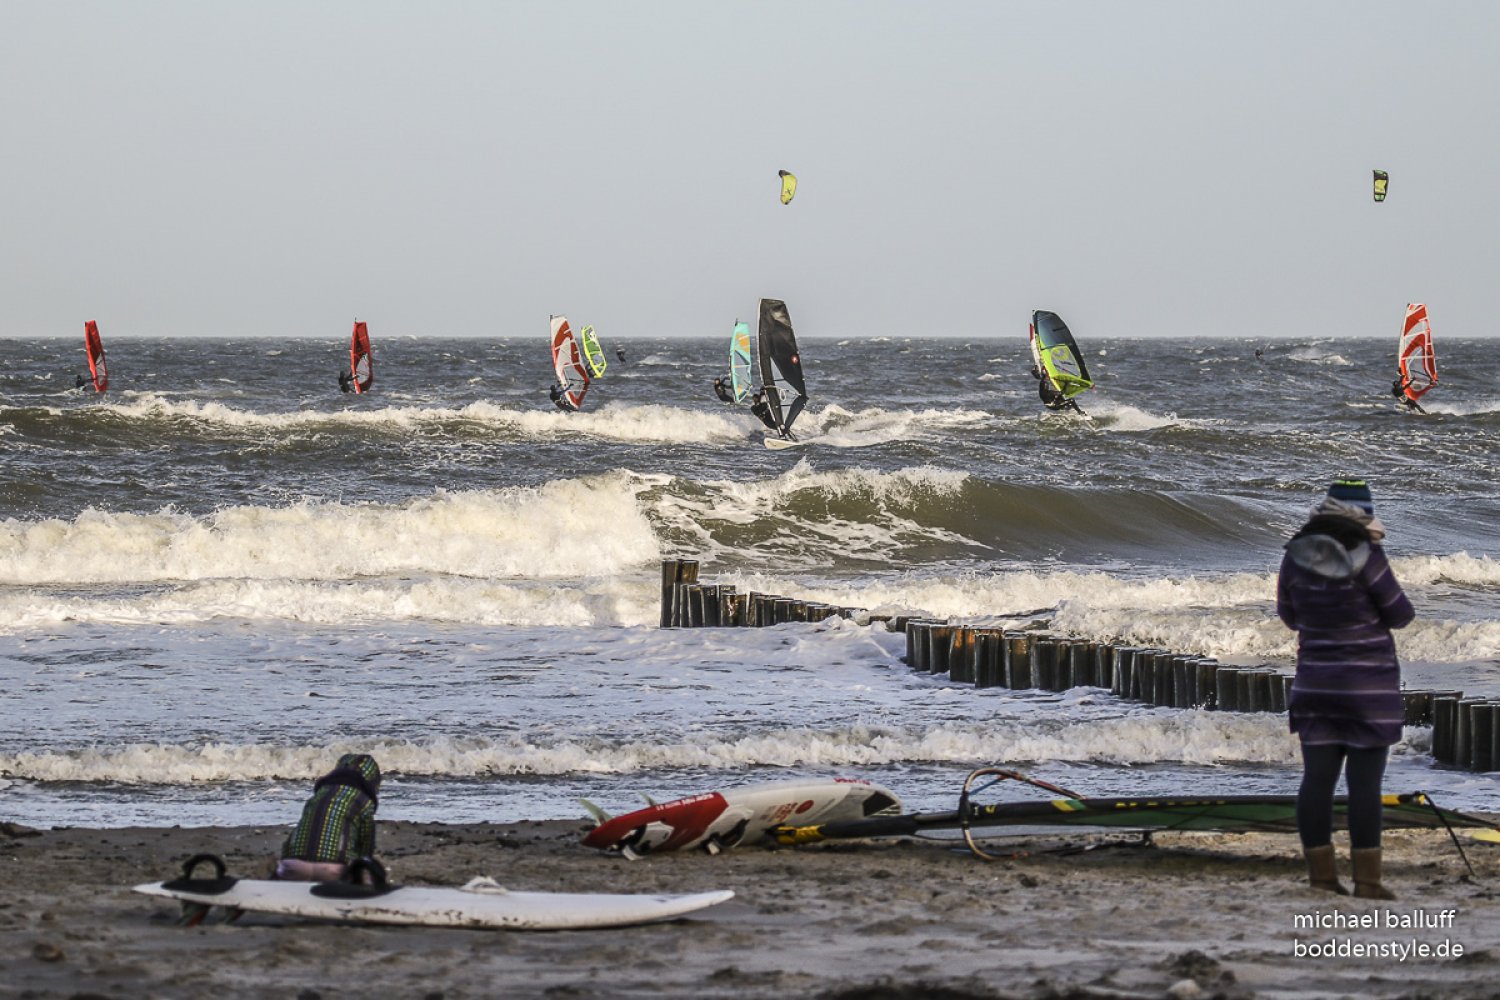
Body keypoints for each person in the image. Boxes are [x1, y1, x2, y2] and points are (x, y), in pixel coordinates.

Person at [1277, 479, 1413, 899]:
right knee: (1365, 786)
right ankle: (1368, 881)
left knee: (1317, 781)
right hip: (1367, 689)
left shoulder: (1295, 557)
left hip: (1315, 685)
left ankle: (1321, 878)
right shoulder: (1368, 556)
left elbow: (1289, 616)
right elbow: (1400, 613)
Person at [275, 753, 382, 881]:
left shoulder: (319, 795)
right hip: (332, 869)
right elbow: (366, 847)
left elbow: (290, 842)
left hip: (293, 865)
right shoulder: (364, 801)